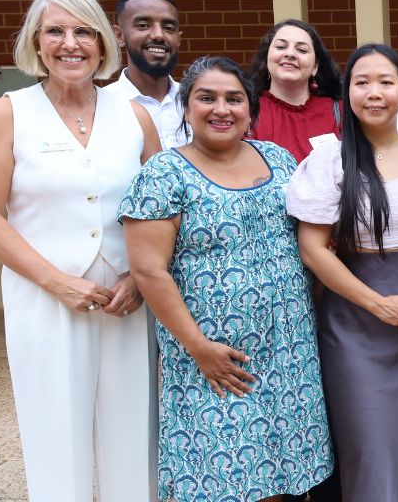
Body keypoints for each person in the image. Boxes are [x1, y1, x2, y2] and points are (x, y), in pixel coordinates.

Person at [0, 0, 160, 501]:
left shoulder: (135, 116)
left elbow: (161, 208)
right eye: (56, 31)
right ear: (36, 42)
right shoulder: (5, 114)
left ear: (103, 44)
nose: (70, 43)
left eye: (83, 32)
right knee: (54, 429)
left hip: (126, 298)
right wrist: (58, 283)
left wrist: (140, 277)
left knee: (133, 428)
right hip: (44, 296)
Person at [120, 56, 333, 502]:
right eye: (206, 98)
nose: (222, 109)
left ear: (250, 109)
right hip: (215, 358)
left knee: (284, 474)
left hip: (288, 351)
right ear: (186, 108)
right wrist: (199, 349)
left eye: (234, 99)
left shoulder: (278, 159)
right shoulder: (164, 173)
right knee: (226, 476)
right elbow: (148, 270)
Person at [285, 43, 398, 501]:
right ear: (347, 94)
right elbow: (314, 249)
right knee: (371, 440)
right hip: (355, 322)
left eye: (386, 82)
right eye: (362, 82)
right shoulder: (329, 159)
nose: (374, 92)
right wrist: (377, 304)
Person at [104, 0, 189, 149]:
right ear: (119, 35)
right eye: (143, 25)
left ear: (178, 39)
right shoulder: (99, 106)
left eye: (168, 28)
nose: (158, 35)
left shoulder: (197, 103)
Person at [248, 19, 344, 162]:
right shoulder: (248, 111)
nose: (290, 54)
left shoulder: (339, 110)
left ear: (315, 67)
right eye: (281, 47)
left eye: (302, 50)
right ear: (266, 58)